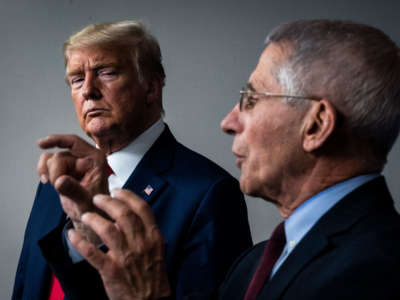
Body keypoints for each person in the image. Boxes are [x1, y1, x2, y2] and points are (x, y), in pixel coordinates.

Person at [67, 19, 400, 299]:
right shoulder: (253, 265)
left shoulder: (378, 269)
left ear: (316, 125)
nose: (228, 122)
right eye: (77, 79)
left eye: (252, 98)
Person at [12, 21, 252, 300]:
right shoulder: (58, 184)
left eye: (107, 72)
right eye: (77, 79)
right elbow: (25, 286)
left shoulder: (210, 193)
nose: (88, 90)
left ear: (151, 87)